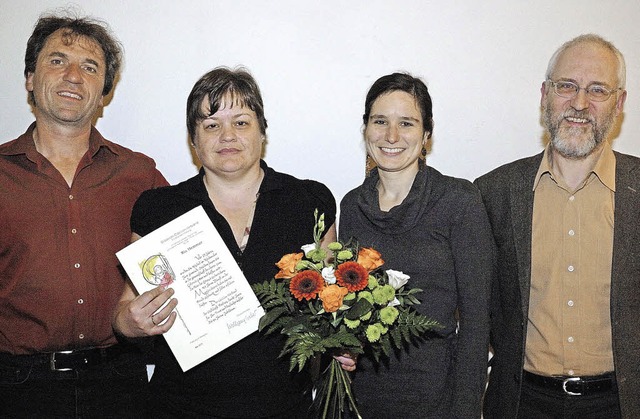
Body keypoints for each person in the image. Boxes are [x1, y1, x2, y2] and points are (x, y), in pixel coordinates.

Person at [112, 67, 350, 418]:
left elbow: (333, 302)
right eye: (211, 125)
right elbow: (124, 310)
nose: (227, 136)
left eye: (241, 122)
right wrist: (129, 323)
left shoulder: (308, 201)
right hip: (179, 408)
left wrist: (343, 341)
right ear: (194, 140)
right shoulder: (158, 207)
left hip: (284, 408)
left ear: (262, 132)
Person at [0, 13, 167, 418]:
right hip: (16, 388)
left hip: (119, 384)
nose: (73, 75)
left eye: (90, 67)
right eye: (57, 60)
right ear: (29, 78)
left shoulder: (140, 174)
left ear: (105, 92)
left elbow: (192, 253)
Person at [475, 34, 639, 418]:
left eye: (597, 90)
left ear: (620, 102)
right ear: (545, 94)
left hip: (621, 404)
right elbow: (474, 312)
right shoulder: (492, 193)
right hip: (522, 403)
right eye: (567, 86)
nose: (579, 103)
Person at [339, 73, 494, 418]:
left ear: (426, 135)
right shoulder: (351, 206)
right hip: (363, 400)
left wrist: (465, 409)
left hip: (436, 398)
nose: (391, 136)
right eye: (380, 121)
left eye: (406, 123)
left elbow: (476, 323)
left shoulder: (458, 201)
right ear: (365, 129)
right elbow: (350, 307)